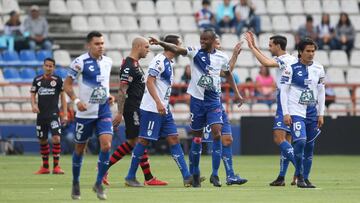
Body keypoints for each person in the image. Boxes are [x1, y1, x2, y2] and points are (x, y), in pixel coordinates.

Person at [152, 29, 244, 187]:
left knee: (217, 133)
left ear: (213, 40)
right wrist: (160, 43)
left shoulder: (222, 56)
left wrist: (237, 93)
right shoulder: (194, 52)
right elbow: (176, 49)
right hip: (197, 102)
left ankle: (215, 175)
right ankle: (194, 172)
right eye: (201, 39)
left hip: (214, 100)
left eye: (205, 40)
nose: (202, 42)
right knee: (197, 137)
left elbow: (227, 74)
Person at [125, 35, 193, 187]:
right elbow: (150, 81)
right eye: (179, 45)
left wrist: (163, 104)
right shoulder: (158, 60)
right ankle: (130, 176)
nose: (180, 48)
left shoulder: (169, 62)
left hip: (164, 109)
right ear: (172, 46)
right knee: (143, 140)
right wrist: (158, 102)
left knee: (174, 139)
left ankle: (187, 177)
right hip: (152, 108)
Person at [105, 37, 167, 187]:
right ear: (138, 46)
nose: (148, 50)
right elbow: (122, 90)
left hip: (137, 107)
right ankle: (104, 169)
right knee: (137, 141)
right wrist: (119, 113)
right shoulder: (128, 66)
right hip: (131, 108)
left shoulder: (135, 64)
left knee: (138, 141)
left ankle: (148, 177)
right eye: (146, 47)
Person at [64, 31, 114, 200]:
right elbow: (67, 84)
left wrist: (109, 96)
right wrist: (76, 100)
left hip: (103, 111)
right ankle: (76, 182)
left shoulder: (108, 61)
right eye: (97, 44)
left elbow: (103, 84)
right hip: (85, 114)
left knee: (106, 145)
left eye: (102, 43)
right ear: (89, 45)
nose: (101, 46)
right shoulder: (79, 62)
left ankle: (98, 183)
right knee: (80, 148)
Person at [245, 31, 297, 186]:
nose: (269, 48)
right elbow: (268, 60)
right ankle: (281, 177)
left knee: (278, 138)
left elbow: (266, 63)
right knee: (286, 141)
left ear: (278, 46)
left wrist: (251, 47)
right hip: (292, 101)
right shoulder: (291, 58)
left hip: (285, 102)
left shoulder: (284, 60)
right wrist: (254, 46)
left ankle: (301, 169)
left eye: (270, 45)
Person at [201, 36, 247, 187]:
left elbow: (227, 72)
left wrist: (234, 55)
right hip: (206, 104)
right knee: (211, 139)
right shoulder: (202, 58)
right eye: (218, 43)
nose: (220, 46)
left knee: (227, 140)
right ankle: (196, 174)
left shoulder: (219, 59)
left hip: (218, 103)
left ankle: (230, 175)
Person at [280, 38, 325, 188]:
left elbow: (321, 92)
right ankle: (299, 174)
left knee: (310, 147)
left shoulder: (319, 68)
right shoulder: (290, 68)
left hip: (312, 111)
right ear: (300, 52)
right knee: (299, 142)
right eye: (308, 51)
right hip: (295, 110)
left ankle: (305, 178)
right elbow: (284, 91)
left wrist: (321, 113)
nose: (311, 54)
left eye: (313, 51)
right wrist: (286, 113)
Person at [31, 58, 67, 175]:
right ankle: (45, 167)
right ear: (43, 66)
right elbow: (32, 94)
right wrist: (33, 105)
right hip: (41, 115)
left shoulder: (58, 80)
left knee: (56, 138)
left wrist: (65, 113)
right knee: (42, 139)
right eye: (46, 65)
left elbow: (63, 97)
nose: (48, 68)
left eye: (51, 66)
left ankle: (56, 166)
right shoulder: (37, 80)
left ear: (54, 67)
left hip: (53, 114)